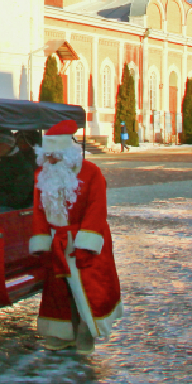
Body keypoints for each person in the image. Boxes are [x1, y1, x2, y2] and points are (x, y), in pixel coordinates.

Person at [29, 120, 122, 353]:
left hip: (83, 238)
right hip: (55, 239)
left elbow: (97, 209)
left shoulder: (92, 173)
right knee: (58, 291)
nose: (50, 160)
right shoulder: (41, 175)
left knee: (86, 289)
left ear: (67, 153)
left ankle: (86, 332)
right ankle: (62, 333)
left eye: (54, 156)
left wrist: (85, 243)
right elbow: (39, 210)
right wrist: (41, 239)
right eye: (47, 155)